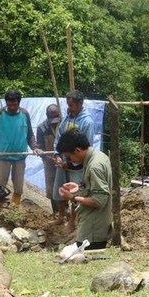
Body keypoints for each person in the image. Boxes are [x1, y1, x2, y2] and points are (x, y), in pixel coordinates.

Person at [56, 129, 112, 250]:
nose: (70, 161)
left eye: (69, 156)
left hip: (93, 230)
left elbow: (99, 200)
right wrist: (79, 187)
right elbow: (96, 187)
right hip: (93, 227)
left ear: (77, 150)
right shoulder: (99, 156)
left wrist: (72, 197)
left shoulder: (94, 166)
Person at [0, 89, 41, 205]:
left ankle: (15, 208)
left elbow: (30, 134)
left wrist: (34, 147)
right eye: (9, 104)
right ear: (6, 102)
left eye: (14, 105)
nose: (12, 107)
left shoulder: (24, 114)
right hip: (3, 156)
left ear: (19, 103)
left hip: (19, 157)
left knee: (18, 187)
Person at [53, 90, 95, 233]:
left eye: (72, 105)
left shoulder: (87, 122)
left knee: (75, 192)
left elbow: (86, 148)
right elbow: (58, 137)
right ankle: (61, 216)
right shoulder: (66, 119)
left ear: (80, 103)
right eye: (68, 105)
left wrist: (72, 163)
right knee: (61, 188)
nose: (69, 108)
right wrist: (57, 155)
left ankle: (72, 222)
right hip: (63, 160)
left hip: (77, 164)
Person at [36, 103, 62, 213]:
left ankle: (67, 212)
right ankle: (56, 212)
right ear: (47, 115)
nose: (55, 123)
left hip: (64, 162)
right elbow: (39, 147)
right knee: (52, 188)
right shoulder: (41, 128)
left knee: (66, 186)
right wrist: (44, 156)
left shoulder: (64, 124)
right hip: (49, 163)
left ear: (59, 114)